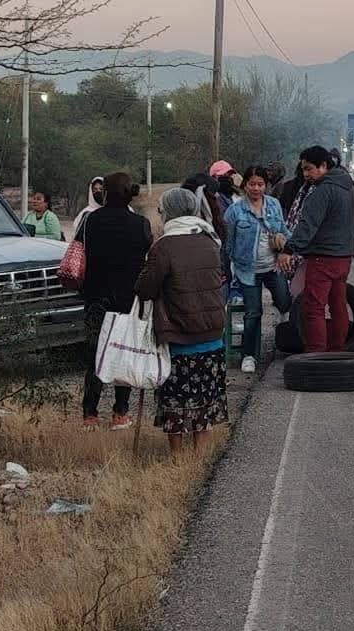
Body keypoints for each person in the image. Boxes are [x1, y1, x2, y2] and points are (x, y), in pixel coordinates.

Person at [135, 188, 227, 454]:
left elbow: (145, 288)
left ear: (168, 213)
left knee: (175, 400)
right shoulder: (210, 239)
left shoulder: (164, 246)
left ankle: (177, 458)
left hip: (179, 335)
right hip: (212, 334)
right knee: (207, 396)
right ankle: (200, 453)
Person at [79, 172, 152, 431]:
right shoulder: (141, 224)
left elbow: (78, 251)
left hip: (96, 296)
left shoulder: (90, 221)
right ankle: (120, 413)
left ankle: (90, 414)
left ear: (106, 193)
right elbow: (147, 256)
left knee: (95, 354)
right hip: (128, 299)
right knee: (124, 351)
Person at [277, 146, 354, 353]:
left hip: (322, 258)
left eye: (309, 169)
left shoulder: (322, 192)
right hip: (344, 257)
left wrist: (288, 249)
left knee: (314, 308)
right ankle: (337, 350)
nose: (305, 175)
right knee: (339, 305)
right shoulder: (349, 187)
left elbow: (306, 227)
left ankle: (316, 354)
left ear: (323, 166)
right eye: (303, 170)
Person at [224, 166, 292, 374]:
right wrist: (227, 269)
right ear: (244, 185)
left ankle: (288, 336)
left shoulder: (274, 205)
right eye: (252, 184)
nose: (256, 188)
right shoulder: (234, 211)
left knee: (284, 301)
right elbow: (228, 243)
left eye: (260, 184)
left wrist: (285, 249)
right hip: (247, 270)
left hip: (273, 266)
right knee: (253, 312)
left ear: (266, 185)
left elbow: (283, 230)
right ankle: (249, 355)